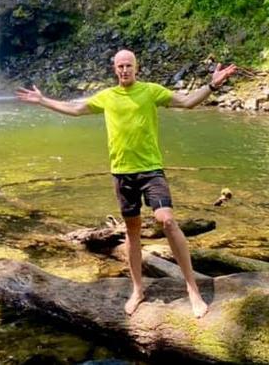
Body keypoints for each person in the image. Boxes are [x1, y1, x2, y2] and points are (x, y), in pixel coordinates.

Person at [16, 49, 236, 319]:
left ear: (136, 67)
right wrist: (42, 101)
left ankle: (192, 290)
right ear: (114, 69)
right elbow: (74, 109)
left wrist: (212, 84)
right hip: (121, 174)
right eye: (120, 66)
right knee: (132, 232)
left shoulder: (150, 92)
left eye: (128, 65)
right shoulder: (107, 97)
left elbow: (188, 102)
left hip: (151, 171)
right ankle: (137, 289)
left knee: (166, 220)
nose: (124, 70)